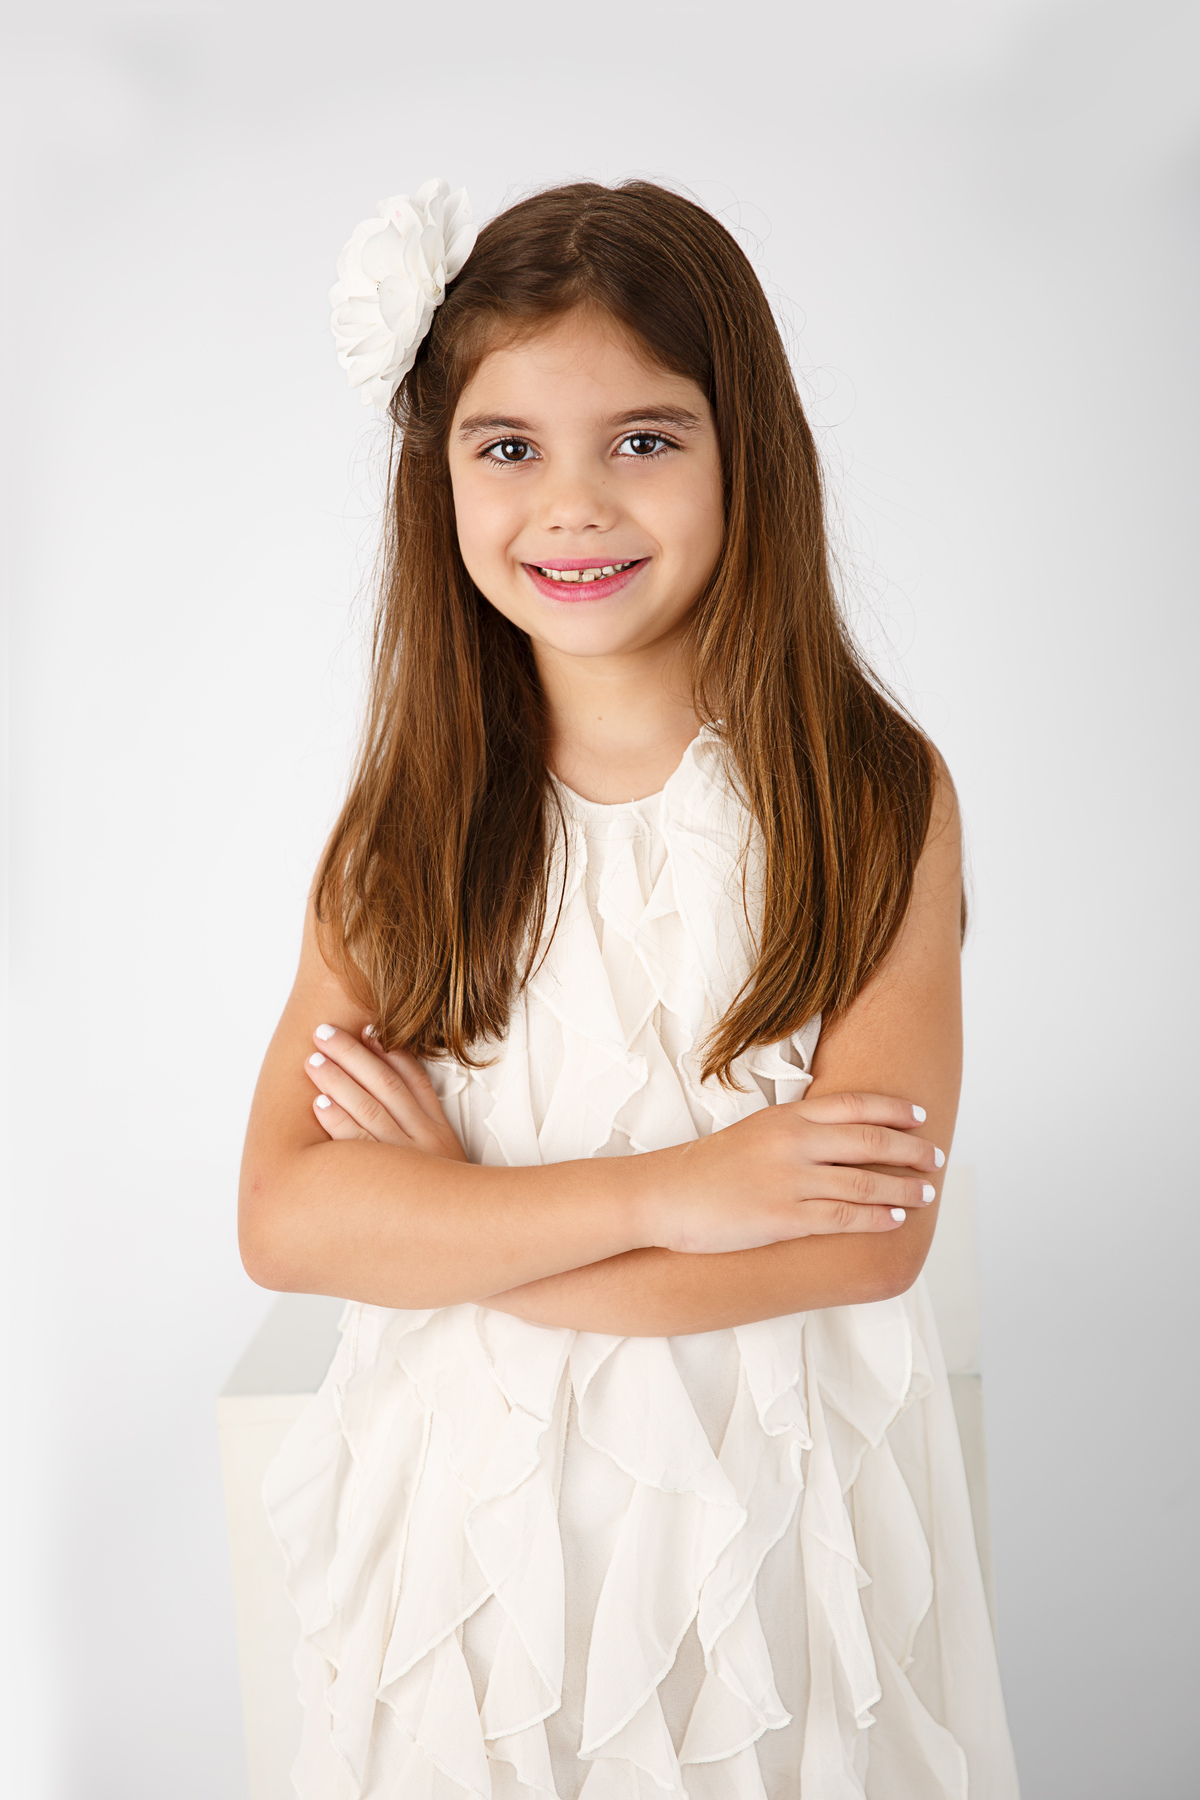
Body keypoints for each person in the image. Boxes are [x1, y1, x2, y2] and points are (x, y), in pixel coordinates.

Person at [240, 177, 1020, 1799]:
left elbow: (869, 1238)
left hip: (775, 1538)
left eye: (644, 440)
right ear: (439, 476)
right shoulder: (411, 822)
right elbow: (288, 1218)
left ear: (748, 454)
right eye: (508, 448)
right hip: (471, 1552)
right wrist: (689, 1190)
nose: (573, 505)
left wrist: (462, 1230)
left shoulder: (870, 795)